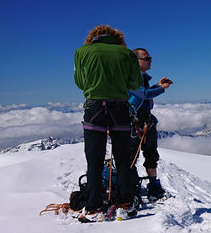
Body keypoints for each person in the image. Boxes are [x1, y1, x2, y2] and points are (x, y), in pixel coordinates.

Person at [74, 25, 143, 222]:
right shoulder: (126, 54)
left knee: (94, 160)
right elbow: (135, 84)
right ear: (117, 38)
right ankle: (125, 202)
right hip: (120, 109)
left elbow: (80, 82)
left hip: (94, 109)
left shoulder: (81, 52)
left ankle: (94, 206)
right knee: (122, 158)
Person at [128, 47, 173, 200]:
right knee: (130, 157)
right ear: (136, 61)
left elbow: (144, 94)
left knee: (150, 154)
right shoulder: (131, 77)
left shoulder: (142, 78)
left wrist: (157, 86)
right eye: (147, 58)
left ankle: (148, 185)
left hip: (144, 122)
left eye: (150, 58)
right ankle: (132, 187)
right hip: (133, 124)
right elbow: (144, 94)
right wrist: (161, 88)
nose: (150, 61)